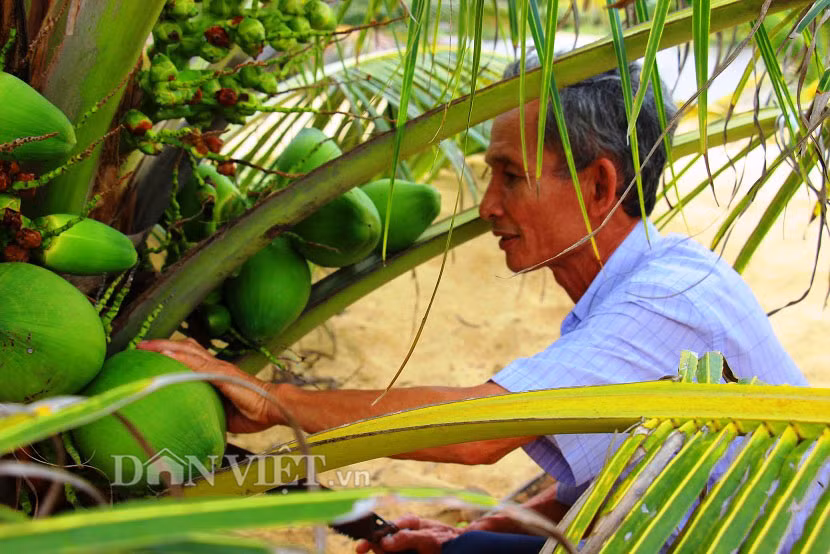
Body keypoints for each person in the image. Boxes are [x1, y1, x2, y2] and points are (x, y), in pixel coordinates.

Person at [139, 59, 809, 553]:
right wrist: (502, 523)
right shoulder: (640, 291)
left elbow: (478, 430)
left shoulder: (666, 300)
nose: (487, 204)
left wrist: (271, 399)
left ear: (599, 183)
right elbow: (636, 465)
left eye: (510, 175)